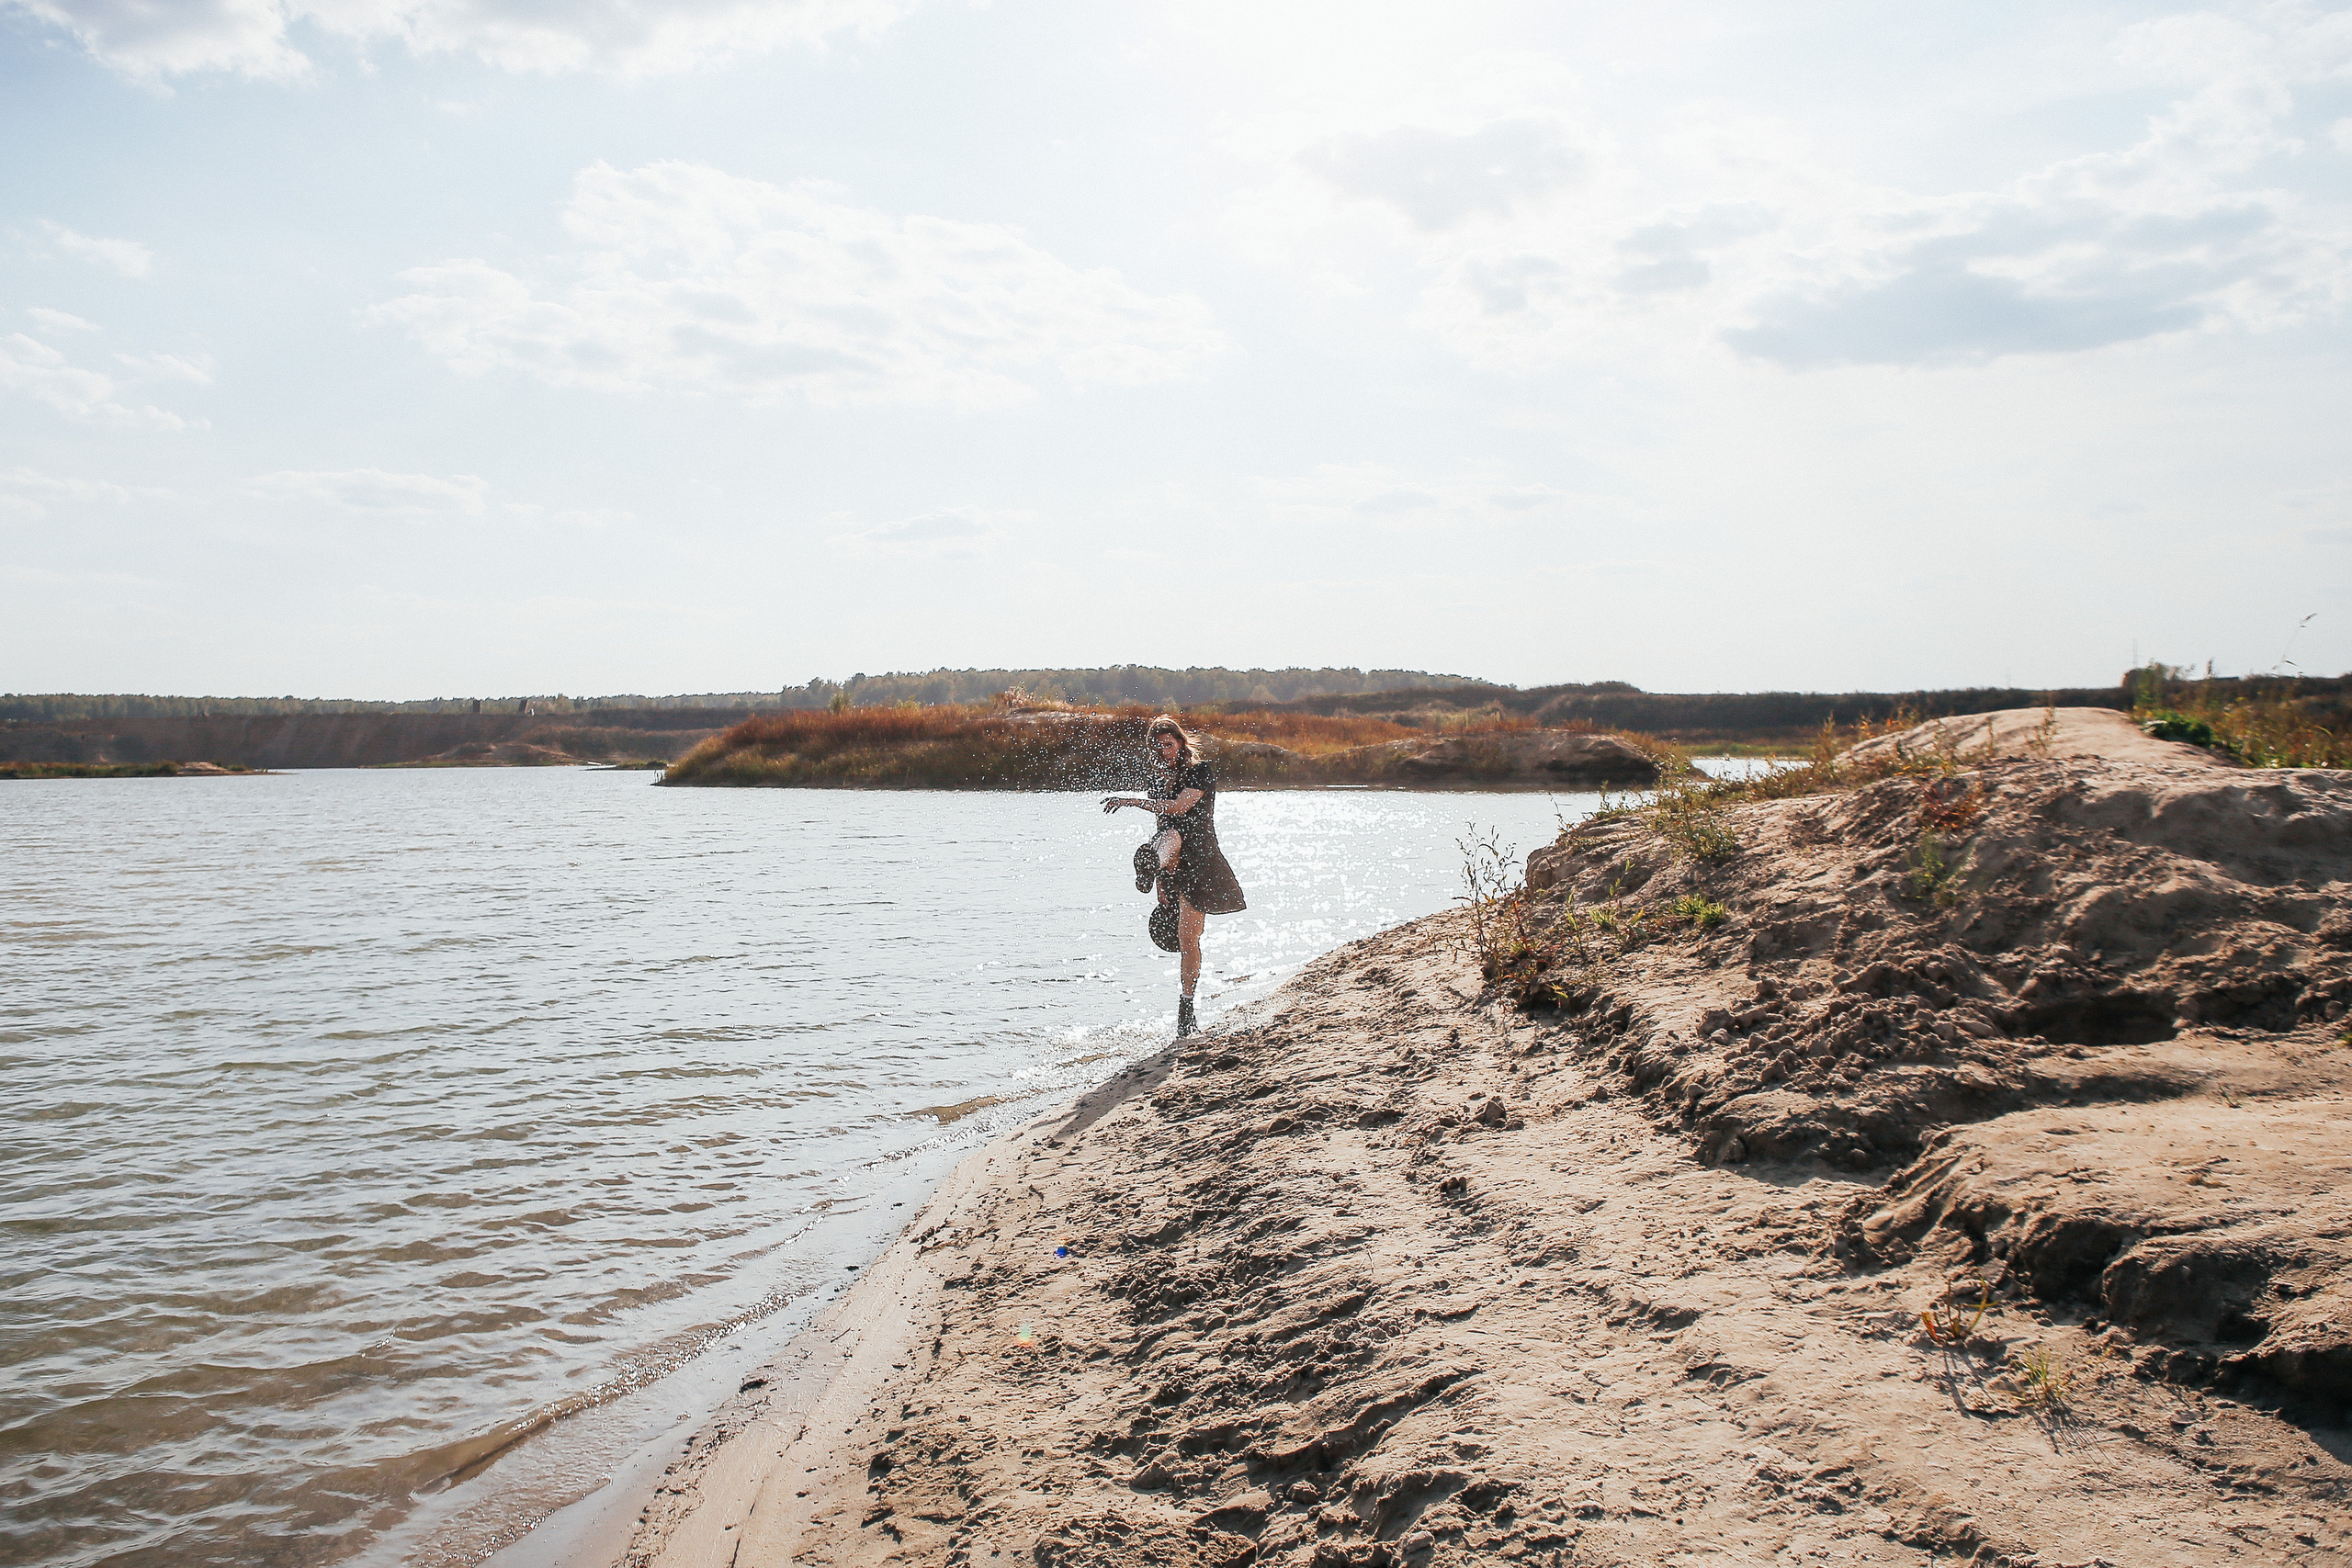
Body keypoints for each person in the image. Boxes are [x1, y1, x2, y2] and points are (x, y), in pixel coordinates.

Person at [1101, 716, 1248, 1036]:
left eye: (1169, 744)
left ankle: (1186, 1003)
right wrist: (1159, 879)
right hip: (1169, 859)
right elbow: (1162, 823)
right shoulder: (1156, 779)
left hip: (1200, 859)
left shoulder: (1200, 771)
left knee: (1189, 938)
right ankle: (1150, 864)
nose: (1165, 750)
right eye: (1159, 746)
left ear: (1180, 742)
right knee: (1167, 837)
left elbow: (1180, 808)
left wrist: (1130, 801)